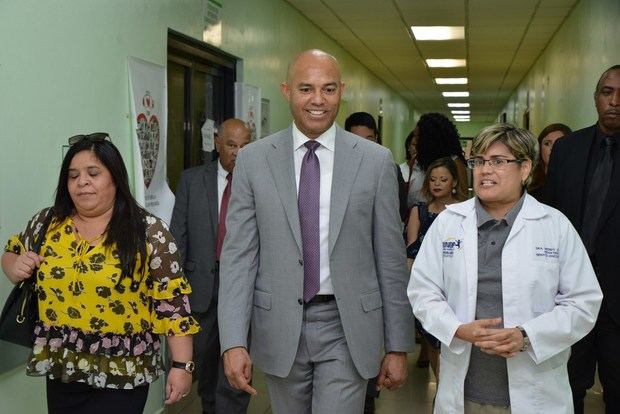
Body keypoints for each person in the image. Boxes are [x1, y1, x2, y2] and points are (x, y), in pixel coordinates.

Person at [218, 49, 414, 414]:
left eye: (328, 89)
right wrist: (232, 341)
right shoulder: (254, 160)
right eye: (306, 89)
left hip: (347, 323)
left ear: (342, 90)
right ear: (286, 90)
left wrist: (398, 344)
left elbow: (389, 257)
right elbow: (238, 257)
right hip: (279, 324)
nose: (318, 100)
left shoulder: (374, 161)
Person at [408, 123, 602, 413]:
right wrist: (456, 328)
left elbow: (583, 302)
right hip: (465, 392)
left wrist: (526, 336)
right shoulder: (449, 223)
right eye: (479, 161)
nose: (485, 170)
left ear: (525, 169)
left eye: (498, 161)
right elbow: (423, 291)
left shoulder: (554, 225)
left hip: (535, 393)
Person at [1, 133, 199, 413]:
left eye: (93, 173)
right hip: (64, 365)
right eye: (73, 176)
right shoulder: (47, 223)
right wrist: (13, 267)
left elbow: (173, 306)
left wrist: (182, 366)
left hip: (123, 371)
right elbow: (11, 251)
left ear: (115, 178)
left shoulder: (148, 231)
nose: (82, 182)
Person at [544, 65, 620, 414]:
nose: (614, 101)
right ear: (595, 97)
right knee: (566, 391)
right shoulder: (567, 150)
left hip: (617, 303)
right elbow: (551, 220)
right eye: (607, 92)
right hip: (568, 298)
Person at [170, 119, 251, 414]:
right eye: (232, 145)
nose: (238, 153)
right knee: (203, 364)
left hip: (242, 287)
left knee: (236, 367)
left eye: (245, 146)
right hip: (200, 287)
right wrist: (175, 291)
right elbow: (177, 236)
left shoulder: (256, 181)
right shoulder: (192, 180)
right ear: (217, 143)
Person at [406, 157, 467, 381]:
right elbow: (411, 252)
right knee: (431, 338)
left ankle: (449, 389)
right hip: (428, 286)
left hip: (456, 287)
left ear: (454, 182)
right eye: (433, 179)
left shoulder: (464, 212)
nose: (437, 184)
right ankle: (441, 386)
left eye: (443, 179)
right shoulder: (419, 211)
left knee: (453, 341)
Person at [344, 111, 408, 224]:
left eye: (369, 140)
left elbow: (399, 210)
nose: (364, 146)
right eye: (357, 140)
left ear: (376, 138)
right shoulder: (338, 168)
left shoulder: (390, 168)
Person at [414, 112, 469, 199]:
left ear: (429, 139)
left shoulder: (455, 163)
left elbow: (463, 197)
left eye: (418, 137)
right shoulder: (419, 160)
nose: (415, 141)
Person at [528, 123, 572, 199]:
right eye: (547, 143)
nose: (552, 148)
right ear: (539, 148)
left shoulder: (575, 184)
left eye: (559, 143)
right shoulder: (527, 183)